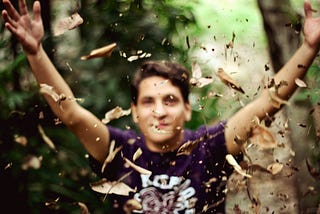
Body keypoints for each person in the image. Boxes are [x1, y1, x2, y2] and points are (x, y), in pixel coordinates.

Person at [2, 0, 320, 213]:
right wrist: (35, 52)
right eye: (148, 101)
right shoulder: (118, 150)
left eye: (170, 100)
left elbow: (268, 102)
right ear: (135, 111)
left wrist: (308, 47)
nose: (159, 110)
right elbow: (69, 112)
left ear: (186, 109)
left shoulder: (209, 148)